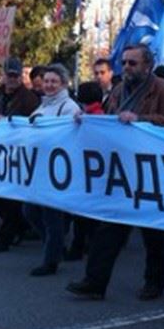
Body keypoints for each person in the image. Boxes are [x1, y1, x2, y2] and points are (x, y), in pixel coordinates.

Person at [66, 44, 164, 300]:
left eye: (133, 63)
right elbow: (108, 120)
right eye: (125, 62)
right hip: (122, 171)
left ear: (147, 65)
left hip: (151, 170)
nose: (127, 67)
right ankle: (95, 281)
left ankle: (155, 282)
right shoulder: (119, 89)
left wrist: (141, 120)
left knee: (153, 232)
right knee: (109, 228)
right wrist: (86, 120)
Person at [23, 64, 79, 276]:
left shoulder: (69, 107)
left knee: (51, 216)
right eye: (46, 81)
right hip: (39, 168)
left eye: (54, 81)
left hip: (57, 170)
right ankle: (55, 247)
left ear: (63, 84)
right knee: (30, 211)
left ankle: (51, 260)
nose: (49, 85)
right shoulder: (43, 105)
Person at [0, 57, 41, 253]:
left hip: (19, 154)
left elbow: (32, 123)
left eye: (16, 76)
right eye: (9, 75)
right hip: (0, 154)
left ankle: (4, 238)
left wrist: (9, 120)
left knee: (9, 198)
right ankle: (21, 226)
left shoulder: (29, 98)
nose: (12, 79)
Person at [65, 80, 105, 261]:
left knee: (83, 215)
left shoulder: (92, 117)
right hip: (92, 170)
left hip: (88, 170)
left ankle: (79, 247)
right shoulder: (93, 114)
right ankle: (84, 245)